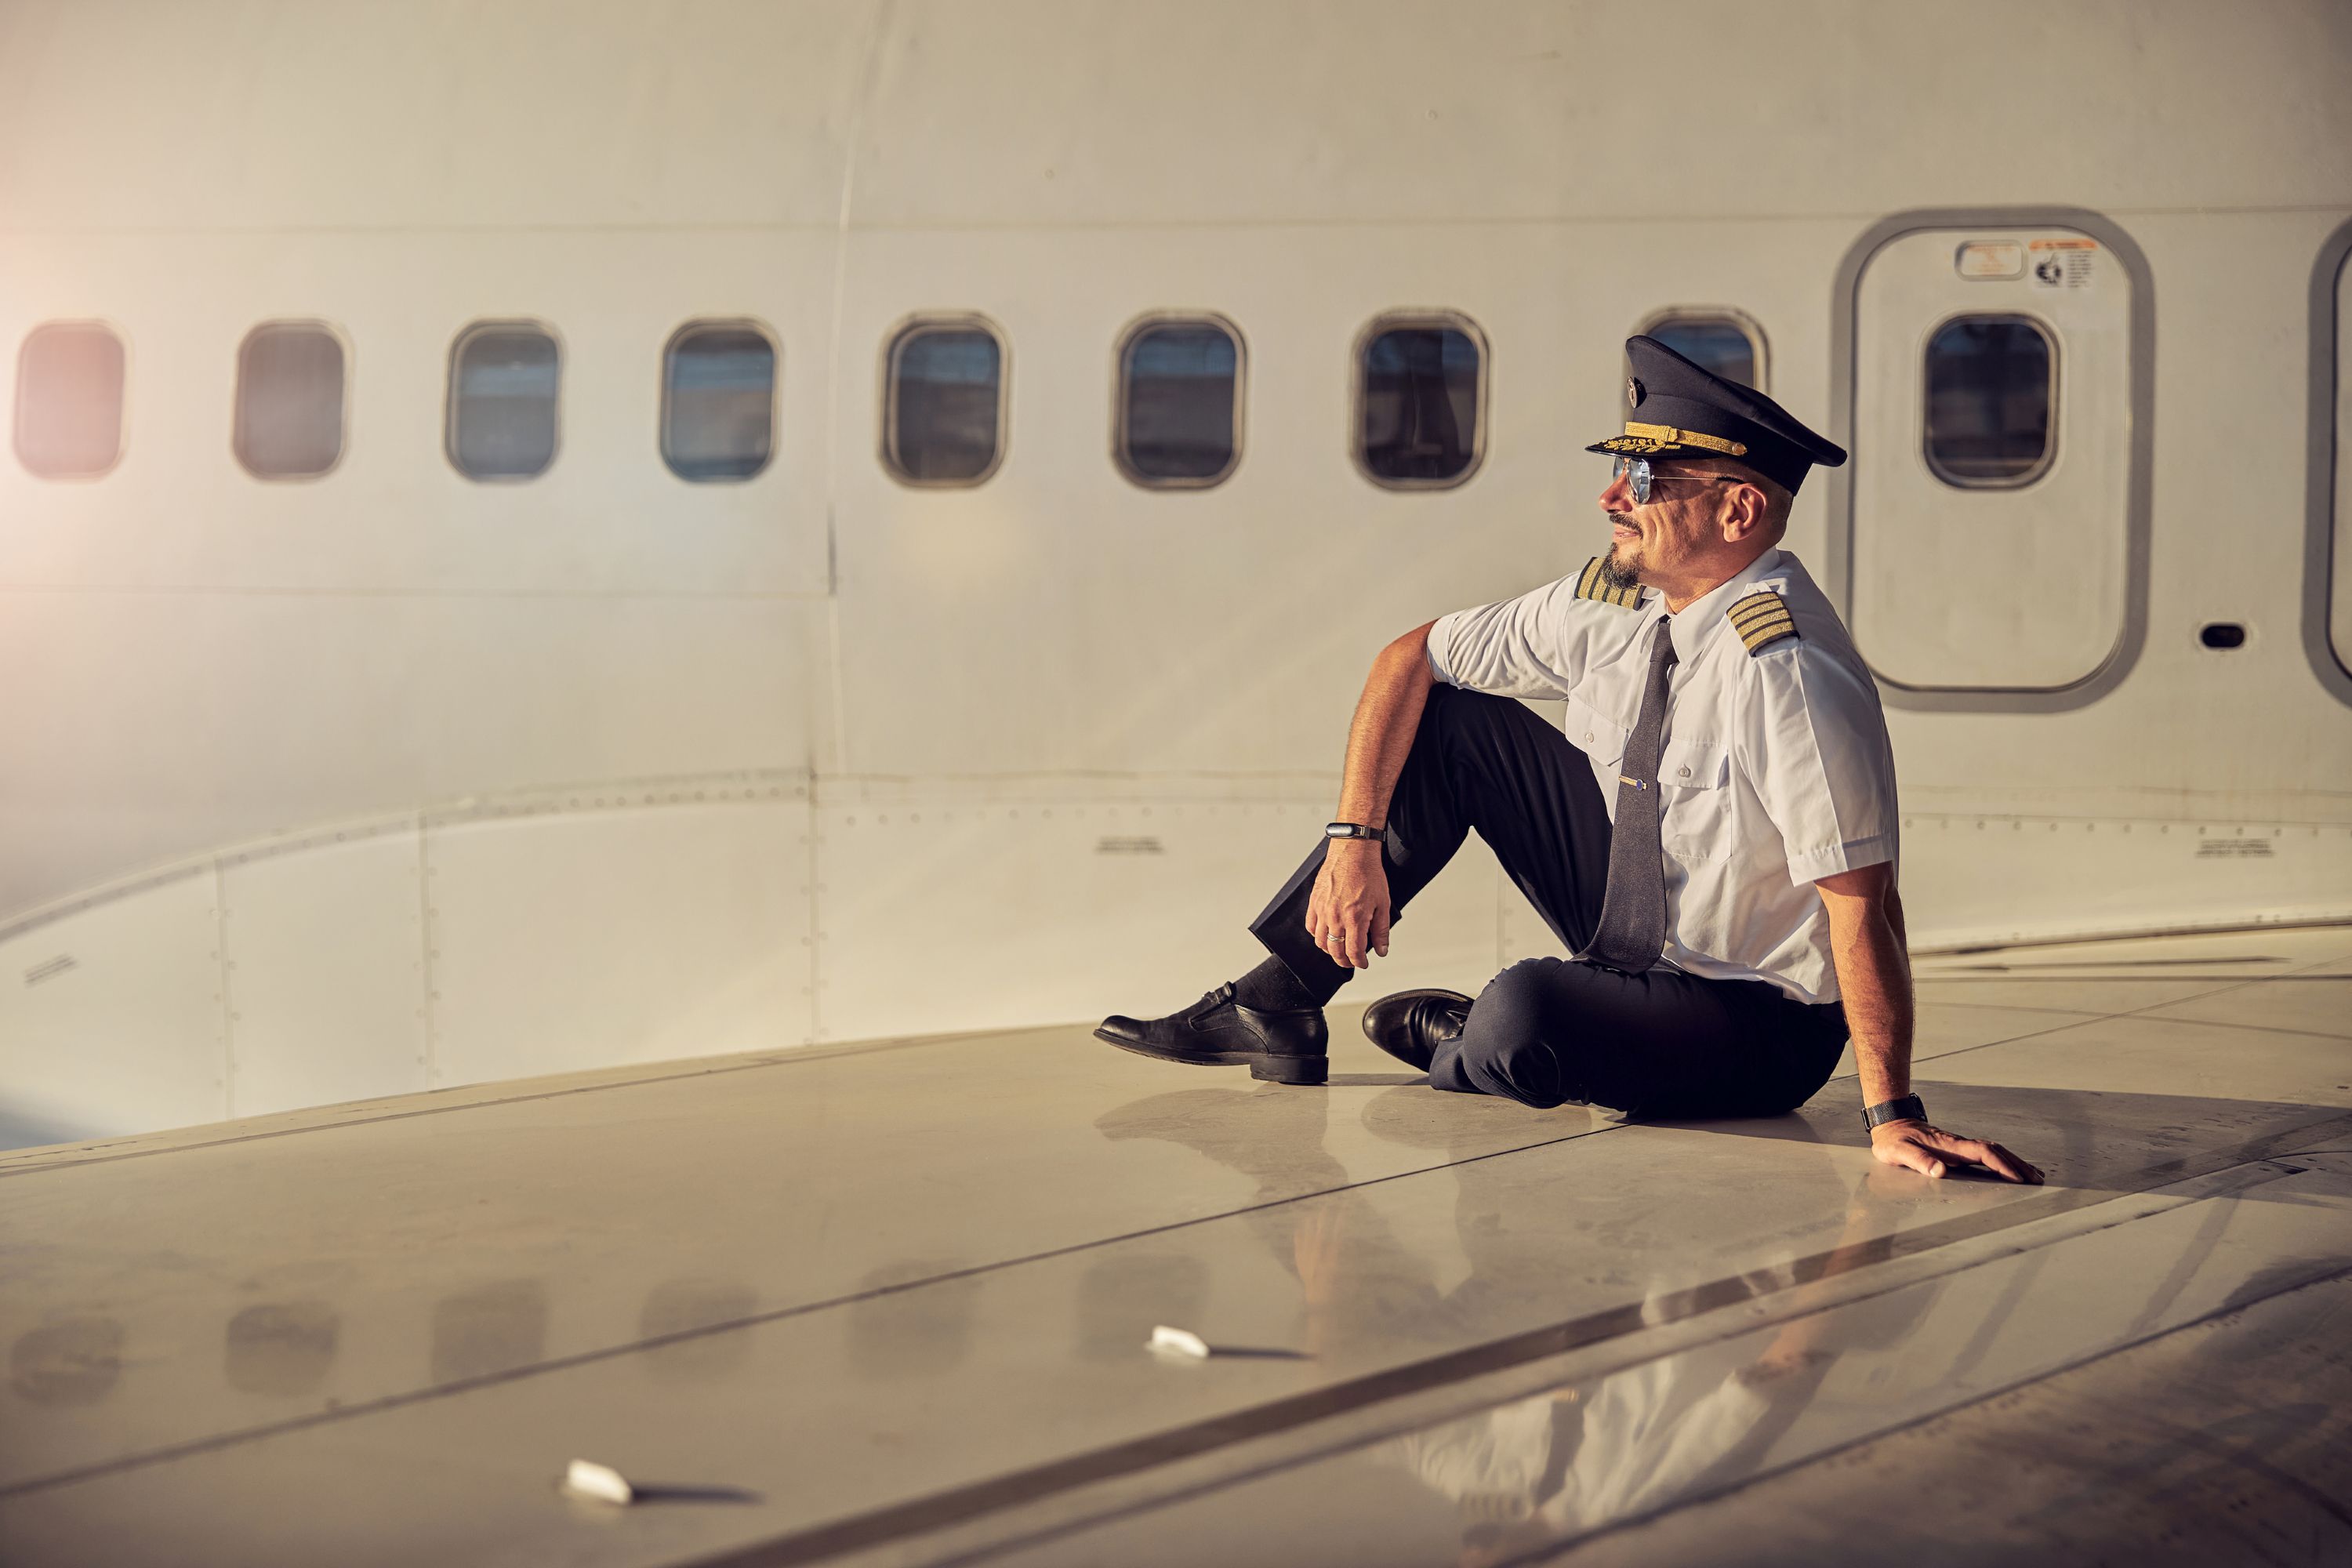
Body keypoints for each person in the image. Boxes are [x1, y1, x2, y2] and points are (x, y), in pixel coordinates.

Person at [1095, 336, 2042, 1185]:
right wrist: (1354, 843)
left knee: (1520, 1008)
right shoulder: (1614, 604)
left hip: (1752, 1018)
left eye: (1647, 478)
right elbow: (1407, 658)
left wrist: (1893, 1114)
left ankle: (1467, 1046)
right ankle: (1279, 1000)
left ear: (1738, 508)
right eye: (1622, 467)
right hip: (1639, 915)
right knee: (1456, 720)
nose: (1611, 496)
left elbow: (1862, 904)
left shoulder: (1787, 672)